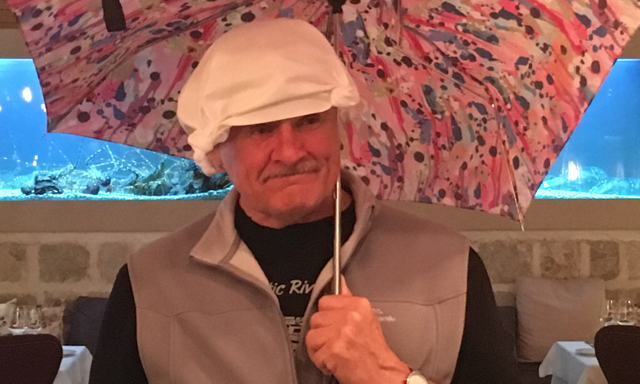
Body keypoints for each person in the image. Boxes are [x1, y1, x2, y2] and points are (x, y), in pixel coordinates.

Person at [89, 19, 519, 384]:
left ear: (339, 127)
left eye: (310, 120)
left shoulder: (447, 267)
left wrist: (387, 375)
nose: (291, 151)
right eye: (260, 129)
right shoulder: (151, 285)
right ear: (217, 150)